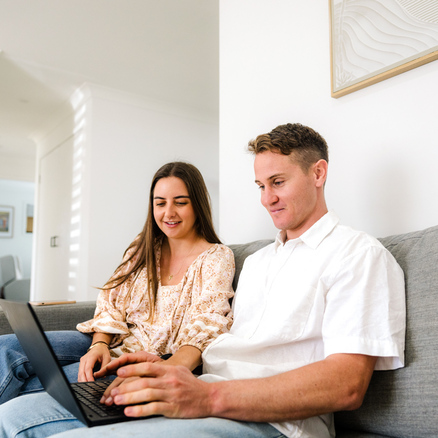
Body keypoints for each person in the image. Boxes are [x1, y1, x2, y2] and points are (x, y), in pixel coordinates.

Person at [0, 123, 405, 438]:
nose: (267, 199)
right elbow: (216, 339)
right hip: (202, 390)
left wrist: (205, 395)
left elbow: (348, 385)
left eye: (278, 182)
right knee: (14, 414)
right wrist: (161, 366)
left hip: (274, 422)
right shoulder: (263, 260)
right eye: (261, 186)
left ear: (319, 173)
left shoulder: (359, 254)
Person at [0, 161, 234, 404]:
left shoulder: (217, 257)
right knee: (6, 347)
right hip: (110, 342)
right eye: (160, 203)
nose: (169, 213)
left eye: (181, 202)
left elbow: (209, 323)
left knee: (35, 387)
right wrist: (98, 344)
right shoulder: (141, 249)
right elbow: (111, 301)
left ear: (198, 204)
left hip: (141, 363)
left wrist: (168, 370)